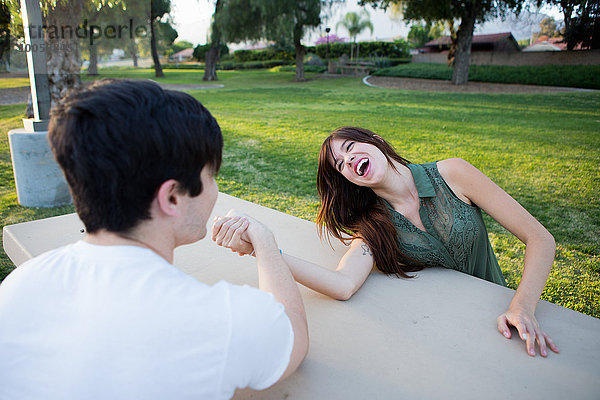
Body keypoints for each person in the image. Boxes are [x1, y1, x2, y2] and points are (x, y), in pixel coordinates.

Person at [0, 79, 308, 400]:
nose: (215, 190)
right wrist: (265, 240)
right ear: (172, 197)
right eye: (211, 177)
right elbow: (294, 333)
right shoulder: (217, 322)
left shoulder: (18, 286)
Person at [212, 126, 559, 358]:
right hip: (453, 341)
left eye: (350, 148)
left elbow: (540, 239)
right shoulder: (375, 227)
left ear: (374, 140)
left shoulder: (454, 174)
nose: (348, 160)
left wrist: (522, 307)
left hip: (508, 317)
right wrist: (263, 248)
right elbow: (342, 284)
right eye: (340, 165)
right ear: (349, 179)